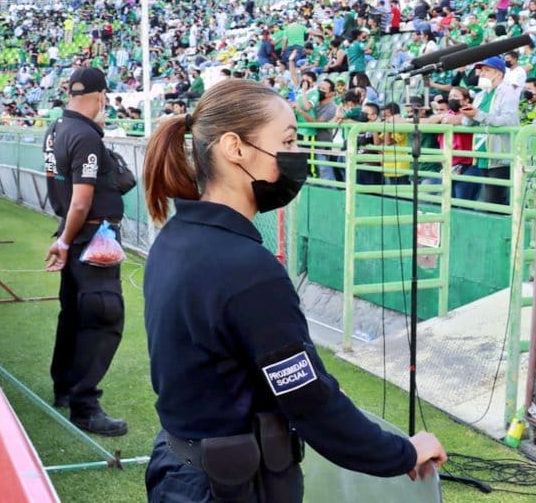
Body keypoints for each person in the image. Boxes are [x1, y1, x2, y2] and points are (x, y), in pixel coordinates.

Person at [140, 79, 446, 501]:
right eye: (287, 140)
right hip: (229, 488)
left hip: (181, 471)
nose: (296, 155)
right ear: (235, 148)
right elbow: (310, 402)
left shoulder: (174, 237)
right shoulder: (247, 270)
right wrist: (403, 452)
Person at [41, 68, 128, 437]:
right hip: (90, 236)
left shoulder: (57, 128)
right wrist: (63, 241)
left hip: (74, 235)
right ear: (100, 95)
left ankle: (65, 388)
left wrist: (64, 238)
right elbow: (81, 201)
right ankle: (84, 406)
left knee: (74, 314)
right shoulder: (84, 135)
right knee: (102, 315)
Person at [459, 56, 520, 205]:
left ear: (498, 74)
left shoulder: (508, 92)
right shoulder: (481, 95)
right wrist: (468, 114)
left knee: (494, 200)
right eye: (481, 70)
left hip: (501, 157)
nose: (481, 74)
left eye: (487, 70)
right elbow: (467, 123)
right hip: (482, 155)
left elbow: (508, 121)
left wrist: (478, 115)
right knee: (490, 199)